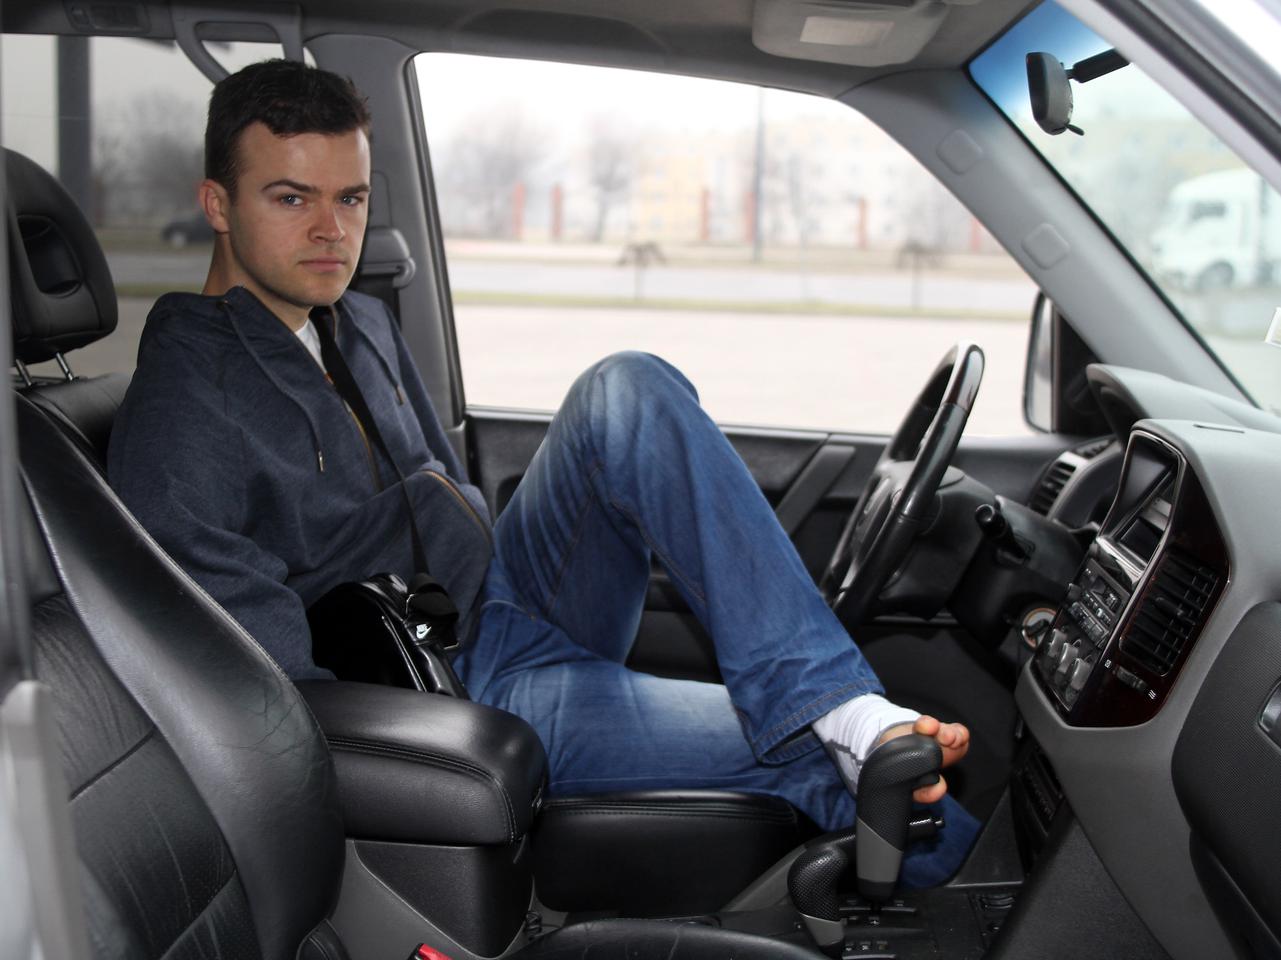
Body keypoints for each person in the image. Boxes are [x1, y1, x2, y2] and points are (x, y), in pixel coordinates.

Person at [107, 59, 979, 884]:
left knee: (625, 388)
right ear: (217, 204)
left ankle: (838, 703)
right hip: (459, 687)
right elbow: (264, 700)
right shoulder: (184, 411)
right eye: (291, 198)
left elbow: (446, 490)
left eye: (351, 197)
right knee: (812, 752)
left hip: (503, 597)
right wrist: (447, 750)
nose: (331, 230)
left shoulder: (357, 322)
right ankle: (993, 906)